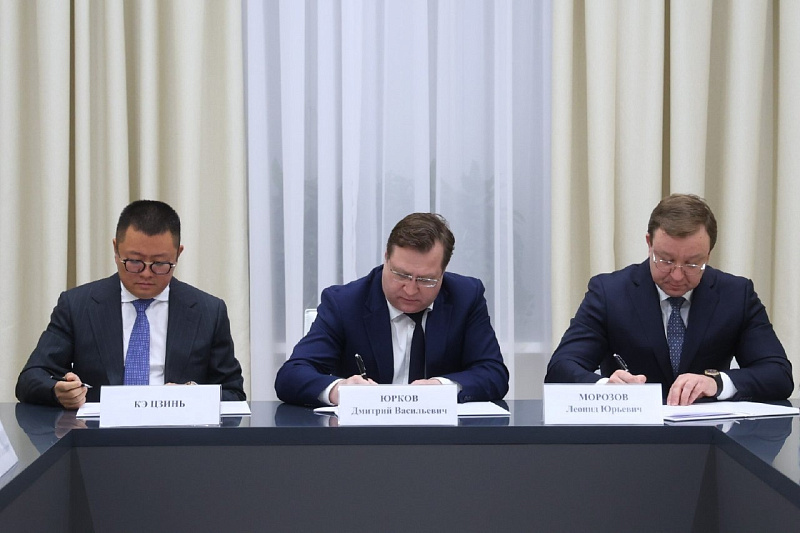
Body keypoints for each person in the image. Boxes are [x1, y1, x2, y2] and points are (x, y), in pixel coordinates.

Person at [545, 193, 793, 406]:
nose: (676, 275)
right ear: (649, 243)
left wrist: (717, 383)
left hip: (709, 436)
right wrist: (605, 386)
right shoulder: (609, 293)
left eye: (692, 263)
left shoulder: (736, 294)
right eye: (665, 260)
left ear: (708, 254)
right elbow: (561, 368)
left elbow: (778, 374)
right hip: (630, 435)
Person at [15, 200, 246, 409]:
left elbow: (234, 393)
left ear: (178, 254)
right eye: (134, 262)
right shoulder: (78, 306)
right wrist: (58, 391)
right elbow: (31, 378)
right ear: (116, 250)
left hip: (178, 436)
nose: (146, 273)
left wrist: (192, 395)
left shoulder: (208, 311)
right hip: (98, 436)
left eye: (160, 264)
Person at [275, 213, 509, 406]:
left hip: (442, 439)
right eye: (401, 275)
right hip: (364, 440)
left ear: (443, 272)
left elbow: (493, 373)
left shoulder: (465, 297)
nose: (410, 289)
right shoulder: (344, 303)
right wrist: (339, 390)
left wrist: (441, 387)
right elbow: (291, 375)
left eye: (426, 280)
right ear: (386, 258)